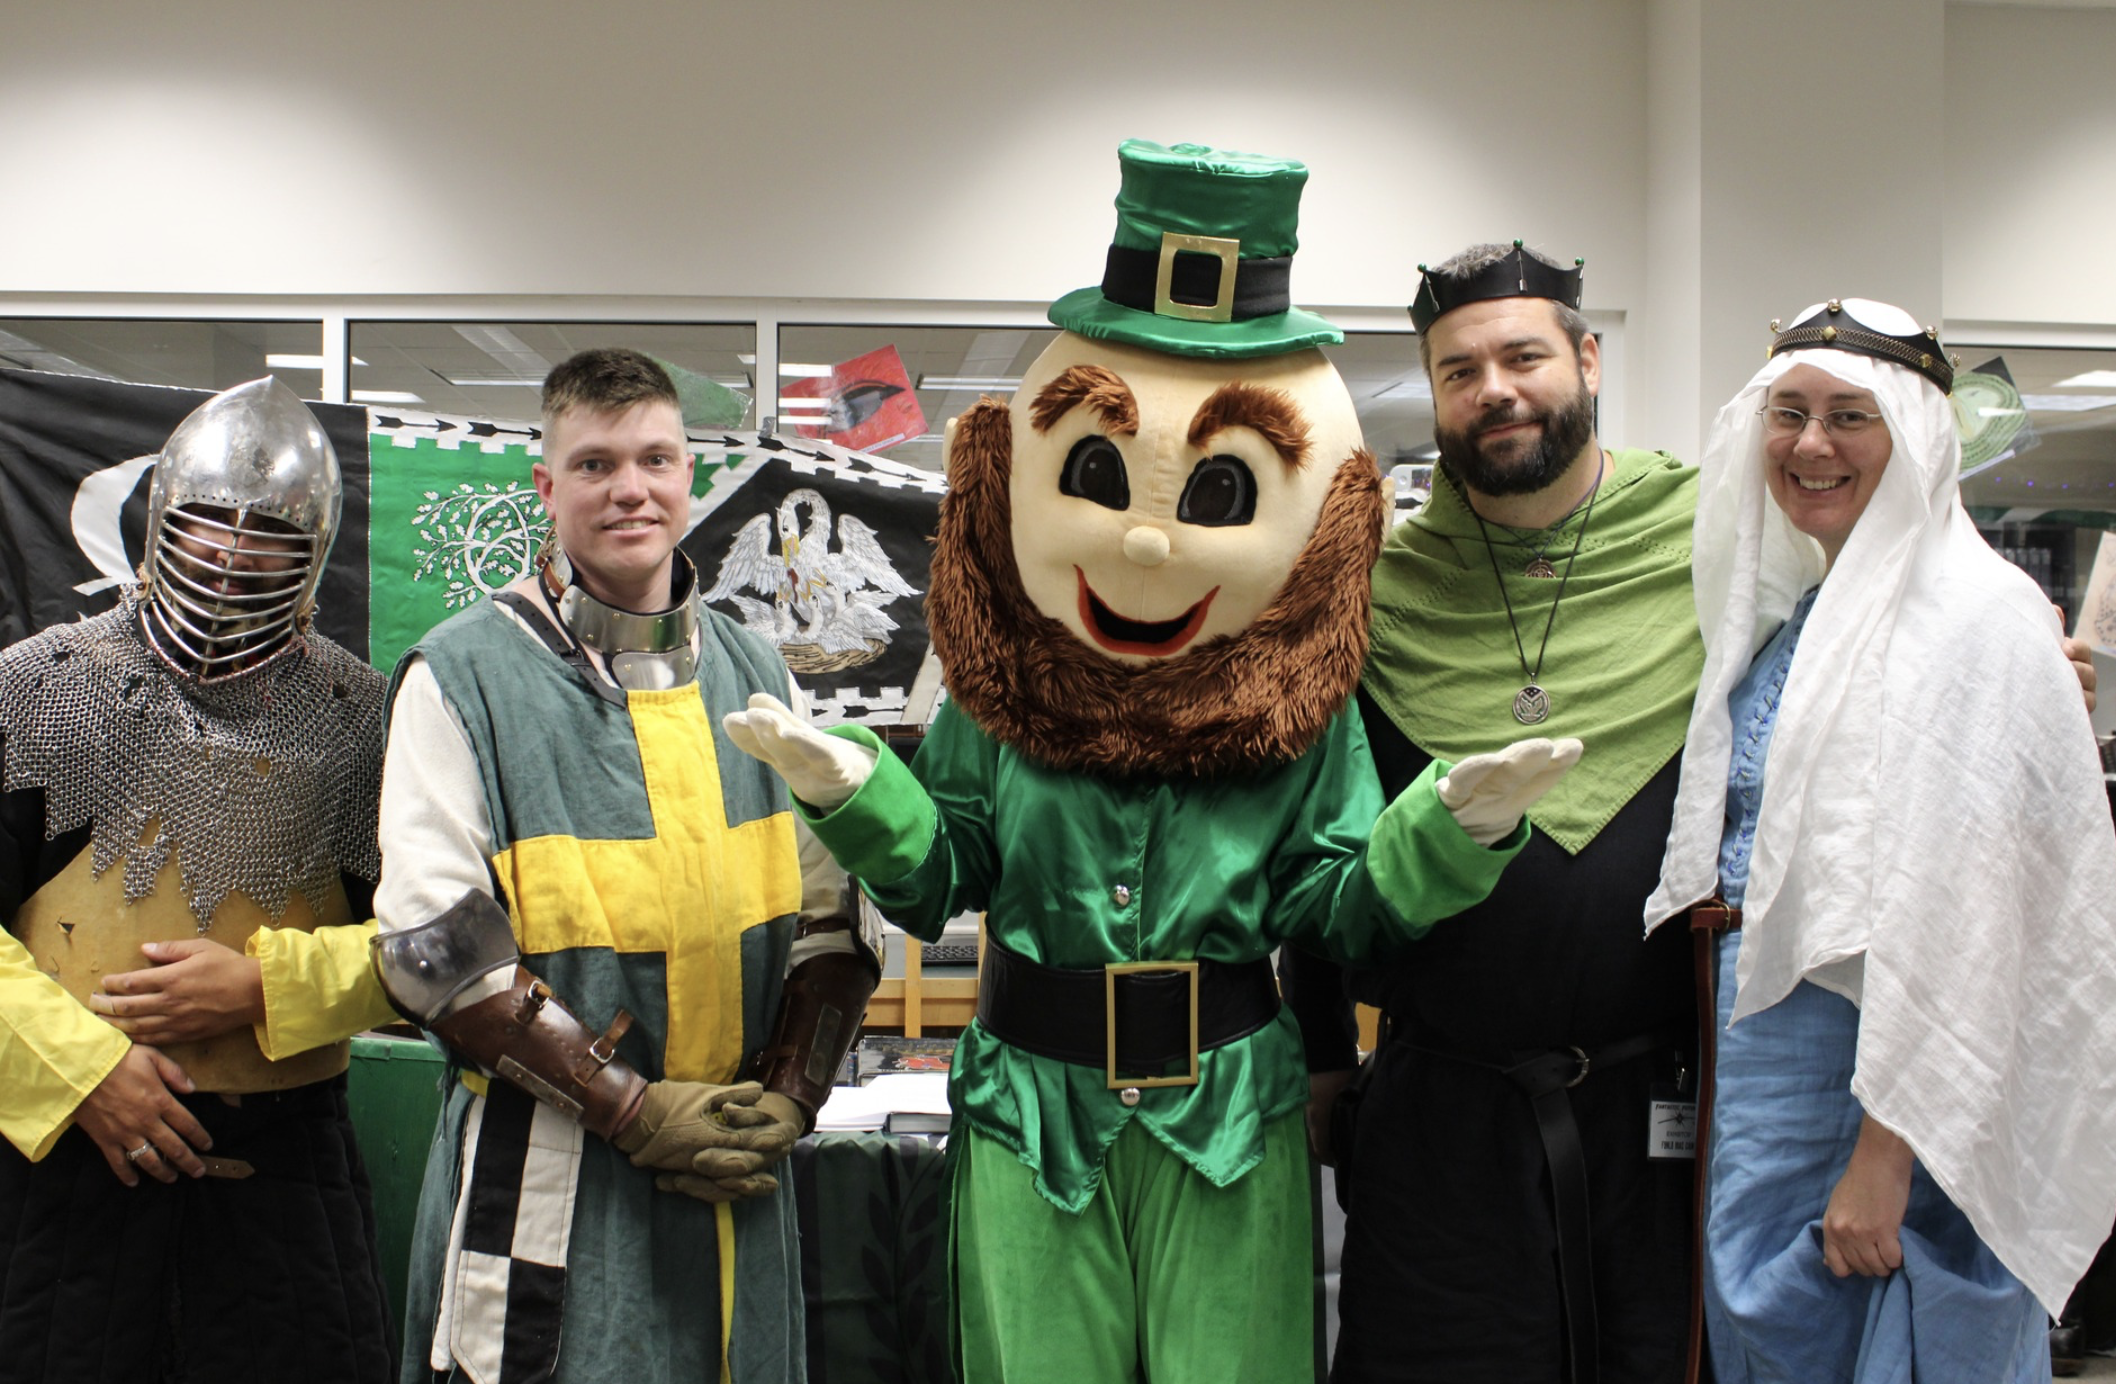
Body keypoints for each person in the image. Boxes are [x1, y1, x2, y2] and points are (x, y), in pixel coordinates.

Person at [725, 144, 1582, 1384]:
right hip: (1031, 1106)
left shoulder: (1303, 705)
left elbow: (1329, 904)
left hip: (1229, 1110)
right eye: (1094, 474)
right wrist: (859, 790)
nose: (1142, 532)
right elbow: (940, 875)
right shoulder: (1000, 685)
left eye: (1221, 489)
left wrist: (1445, 831)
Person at [0, 377, 399, 1383]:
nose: (232, 556)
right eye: (207, 526)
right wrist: (85, 1071)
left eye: (268, 540)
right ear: (159, 523)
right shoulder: (41, 687)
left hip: (280, 1182)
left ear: (314, 557)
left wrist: (269, 986)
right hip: (55, 1178)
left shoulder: (361, 721)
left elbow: (430, 942)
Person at [370, 347, 876, 1384]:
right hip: (549, 1180)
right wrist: (633, 1108)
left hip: (734, 1169)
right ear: (547, 486)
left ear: (691, 474)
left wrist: (789, 1092)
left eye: (654, 458)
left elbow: (831, 918)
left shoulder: (758, 668)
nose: (631, 489)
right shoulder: (461, 675)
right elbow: (433, 950)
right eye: (596, 465)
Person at [1641, 298, 2116, 1381]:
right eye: (1791, 412)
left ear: (1914, 436)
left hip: (1878, 1089)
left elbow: (1975, 911)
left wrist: (1885, 1152)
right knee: (1776, 1326)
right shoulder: (1809, 606)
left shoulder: (1975, 618)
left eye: (1849, 415)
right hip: (1772, 1068)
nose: (1811, 444)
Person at [1287, 243, 1706, 1384]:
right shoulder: (1372, 587)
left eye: (1523, 356)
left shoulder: (1710, 538)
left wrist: (2022, 653)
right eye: (1458, 370)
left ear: (1586, 359)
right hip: (1440, 1111)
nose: (1495, 390)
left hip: (1660, 1107)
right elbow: (1308, 836)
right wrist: (1324, 1054)